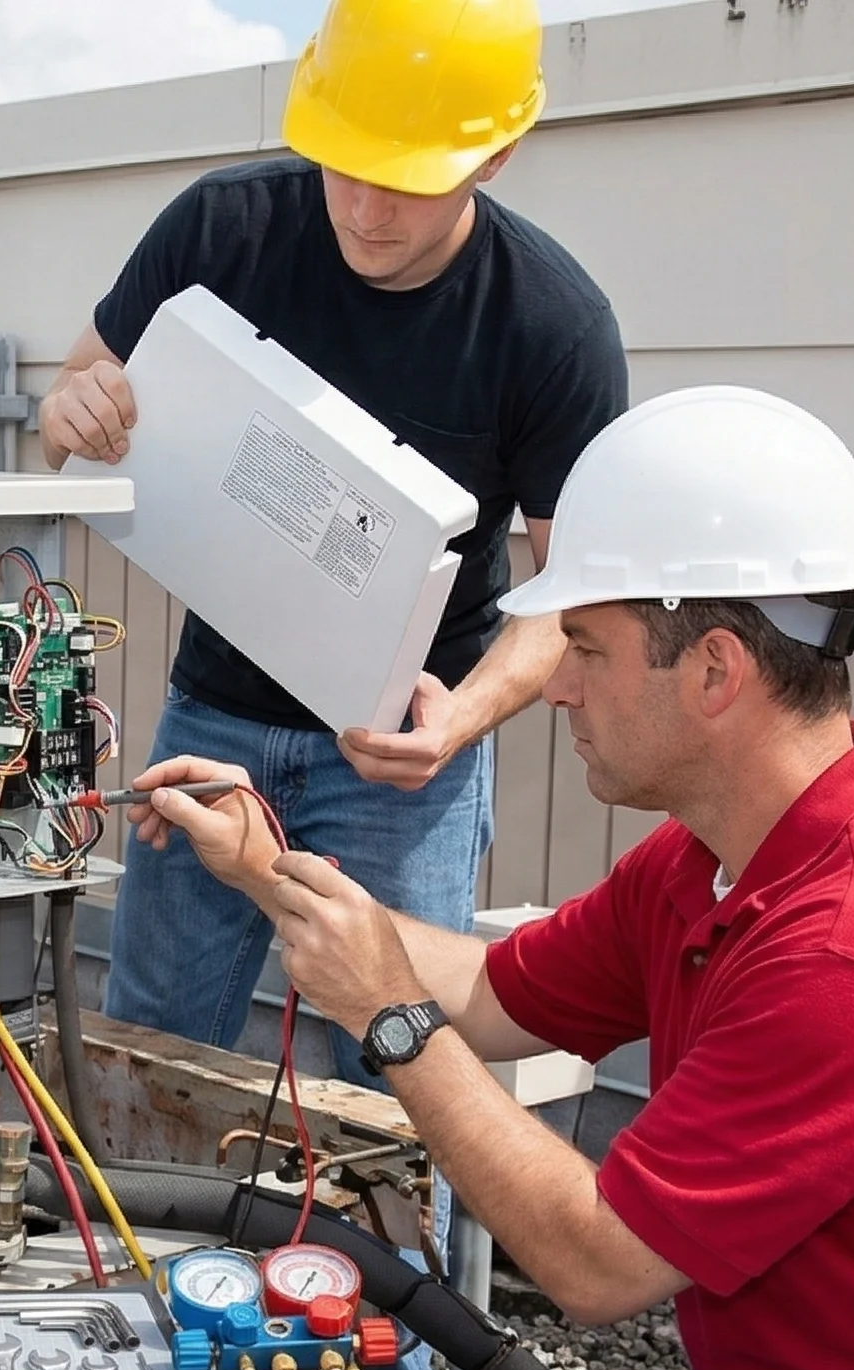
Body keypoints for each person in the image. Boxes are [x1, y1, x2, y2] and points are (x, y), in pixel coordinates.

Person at [129, 386, 854, 1370]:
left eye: (585, 645)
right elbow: (487, 994)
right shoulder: (715, 856)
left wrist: (389, 1017)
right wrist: (263, 867)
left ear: (715, 669)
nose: (557, 688)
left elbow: (594, 1263)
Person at [41, 0, 625, 1088]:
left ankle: (389, 1266)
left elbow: (574, 594)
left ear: (495, 153)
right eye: (341, 165)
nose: (361, 207)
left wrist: (463, 717)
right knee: (149, 1054)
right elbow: (76, 385)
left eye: (403, 178)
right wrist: (77, 408)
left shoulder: (550, 325)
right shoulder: (222, 228)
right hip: (212, 717)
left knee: (398, 1082)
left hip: (403, 760)